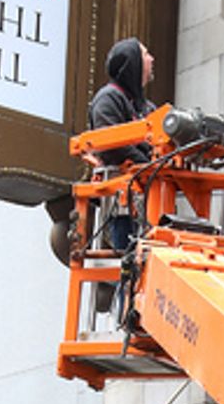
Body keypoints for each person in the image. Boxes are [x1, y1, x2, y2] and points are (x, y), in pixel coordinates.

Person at [46, 37, 156, 265]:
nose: (151, 59)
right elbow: (112, 147)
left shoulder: (145, 107)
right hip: (123, 206)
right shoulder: (108, 99)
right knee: (128, 267)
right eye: (146, 55)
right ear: (132, 63)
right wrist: (150, 164)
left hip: (149, 203)